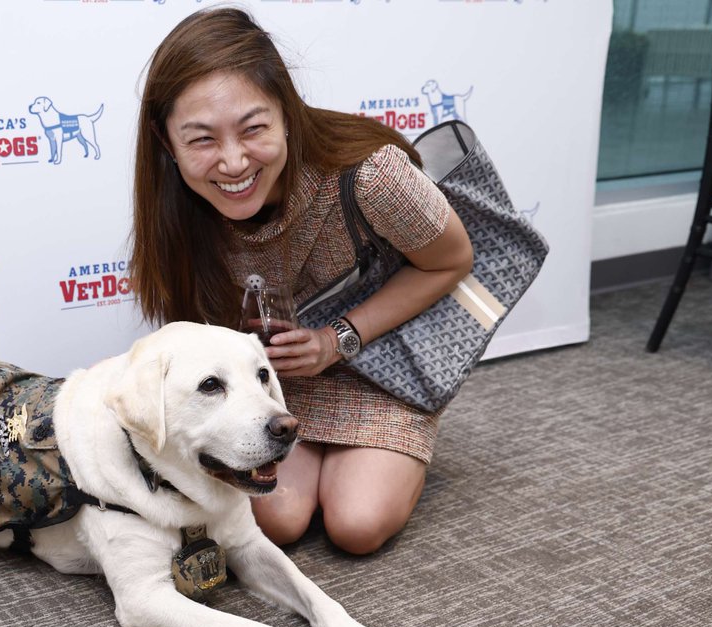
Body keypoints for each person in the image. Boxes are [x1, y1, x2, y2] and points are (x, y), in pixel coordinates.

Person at [129, 8, 474, 555]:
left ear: (286, 113)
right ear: (166, 142)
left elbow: (452, 260)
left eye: (253, 128)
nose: (233, 161)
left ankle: (398, 446)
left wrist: (335, 340)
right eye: (201, 140)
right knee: (280, 521)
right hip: (269, 390)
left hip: (381, 371)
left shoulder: (372, 175)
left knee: (357, 524)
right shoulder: (176, 212)